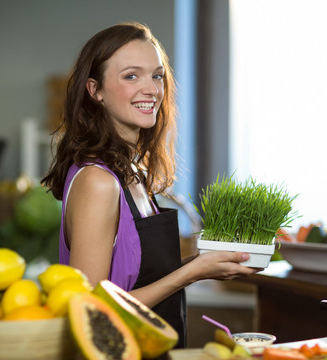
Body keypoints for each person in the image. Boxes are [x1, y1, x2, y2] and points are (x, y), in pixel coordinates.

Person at [41, 22, 259, 348]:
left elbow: (138, 279)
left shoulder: (132, 170)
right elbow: (92, 310)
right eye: (131, 76)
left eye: (157, 76)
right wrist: (192, 273)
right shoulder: (98, 182)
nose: (152, 89)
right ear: (95, 90)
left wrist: (204, 263)